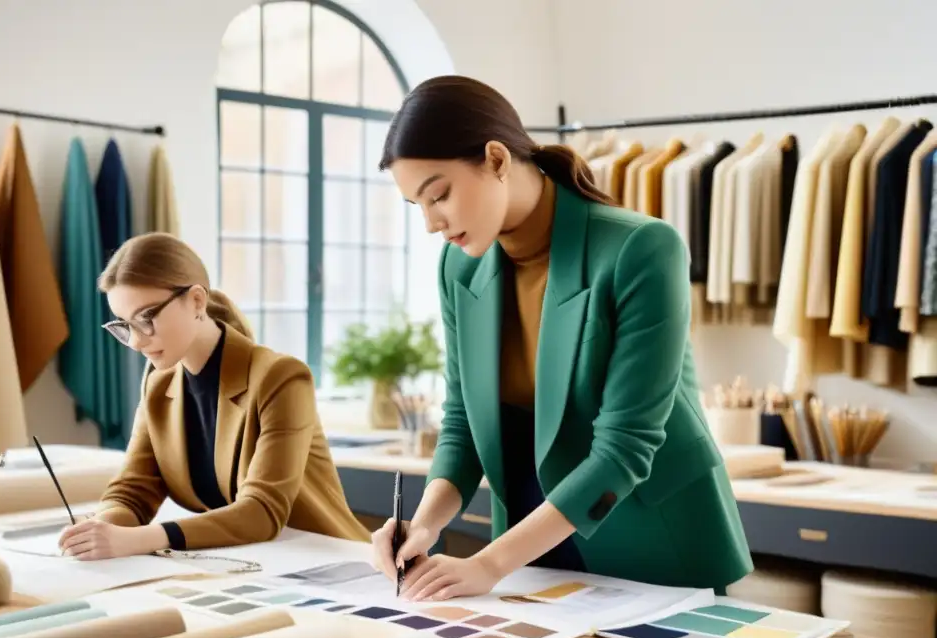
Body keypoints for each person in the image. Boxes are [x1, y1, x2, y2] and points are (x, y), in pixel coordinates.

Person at [370, 75, 753, 601]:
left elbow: (625, 448)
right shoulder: (458, 268)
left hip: (648, 534)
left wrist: (487, 564)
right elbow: (462, 423)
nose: (433, 223)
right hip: (529, 540)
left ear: (498, 160)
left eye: (439, 195)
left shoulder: (643, 249)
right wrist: (425, 525)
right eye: (418, 206)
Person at [58, 233, 370, 559]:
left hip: (330, 563)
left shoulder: (281, 378)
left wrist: (138, 539)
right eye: (125, 326)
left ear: (196, 301)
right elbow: (133, 490)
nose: (136, 342)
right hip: (253, 565)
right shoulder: (159, 383)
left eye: (147, 319)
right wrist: (102, 529)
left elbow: (262, 512)